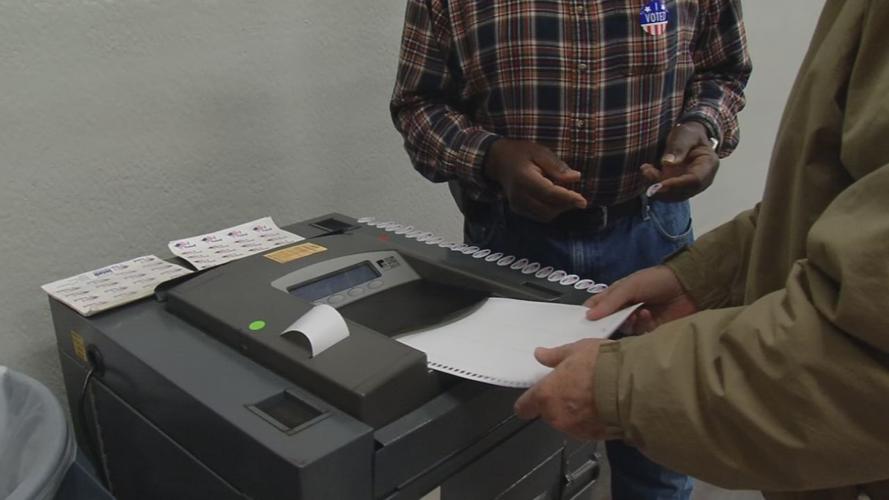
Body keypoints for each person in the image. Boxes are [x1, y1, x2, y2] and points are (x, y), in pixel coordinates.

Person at [513, 1, 889, 499]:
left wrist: (621, 387)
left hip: (648, 226)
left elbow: (863, 344)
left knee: (657, 469)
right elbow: (840, 207)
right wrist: (706, 276)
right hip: (516, 238)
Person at [391, 1, 750, 498]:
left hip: (651, 241)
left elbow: (724, 69)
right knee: (512, 453)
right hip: (511, 248)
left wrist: (702, 126)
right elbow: (418, 107)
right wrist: (491, 156)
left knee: (657, 448)